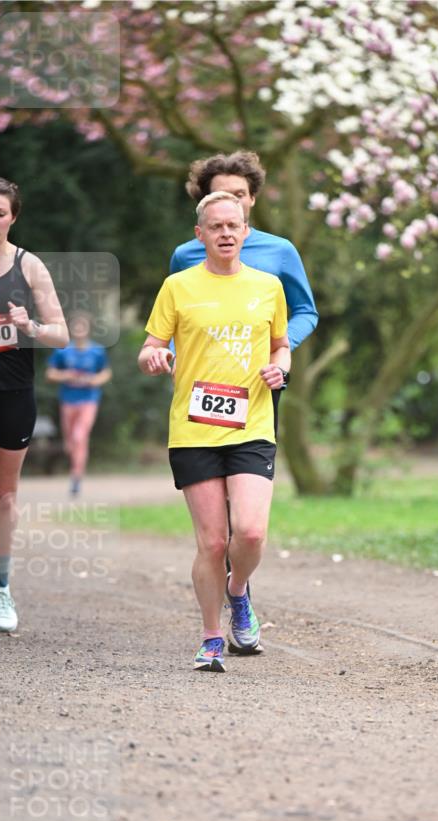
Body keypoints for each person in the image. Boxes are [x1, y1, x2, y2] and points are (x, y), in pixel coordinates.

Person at [138, 191, 290, 673]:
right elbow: (149, 348)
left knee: (250, 532)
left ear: (246, 231)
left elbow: (281, 346)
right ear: (199, 234)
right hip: (195, 428)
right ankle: (209, 638)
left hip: (252, 424)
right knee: (212, 542)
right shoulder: (178, 286)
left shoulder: (268, 286)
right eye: (216, 226)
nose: (226, 233)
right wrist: (155, 357)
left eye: (234, 225)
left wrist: (278, 369)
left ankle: (238, 592)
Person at [0, 177, 68, 631]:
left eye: (0, 213)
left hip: (15, 390)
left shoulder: (29, 266)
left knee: (6, 493)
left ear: (13, 217)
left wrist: (29, 327)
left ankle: (0, 587)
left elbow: (60, 332)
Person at [170, 150, 318, 352]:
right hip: (201, 375)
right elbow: (172, 318)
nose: (233, 203)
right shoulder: (184, 256)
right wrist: (172, 355)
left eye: (239, 195)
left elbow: (305, 311)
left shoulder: (281, 251)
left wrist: (277, 347)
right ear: (206, 201)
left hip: (257, 375)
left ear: (252, 198)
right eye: (223, 195)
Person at [46, 311, 112, 495]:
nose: (79, 329)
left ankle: (76, 477)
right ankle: (75, 462)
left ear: (88, 328)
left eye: (82, 325)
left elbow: (106, 373)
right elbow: (50, 374)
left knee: (79, 436)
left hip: (89, 400)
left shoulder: (97, 351)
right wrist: (65, 375)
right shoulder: (62, 350)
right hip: (68, 400)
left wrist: (94, 380)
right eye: (76, 326)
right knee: (70, 443)